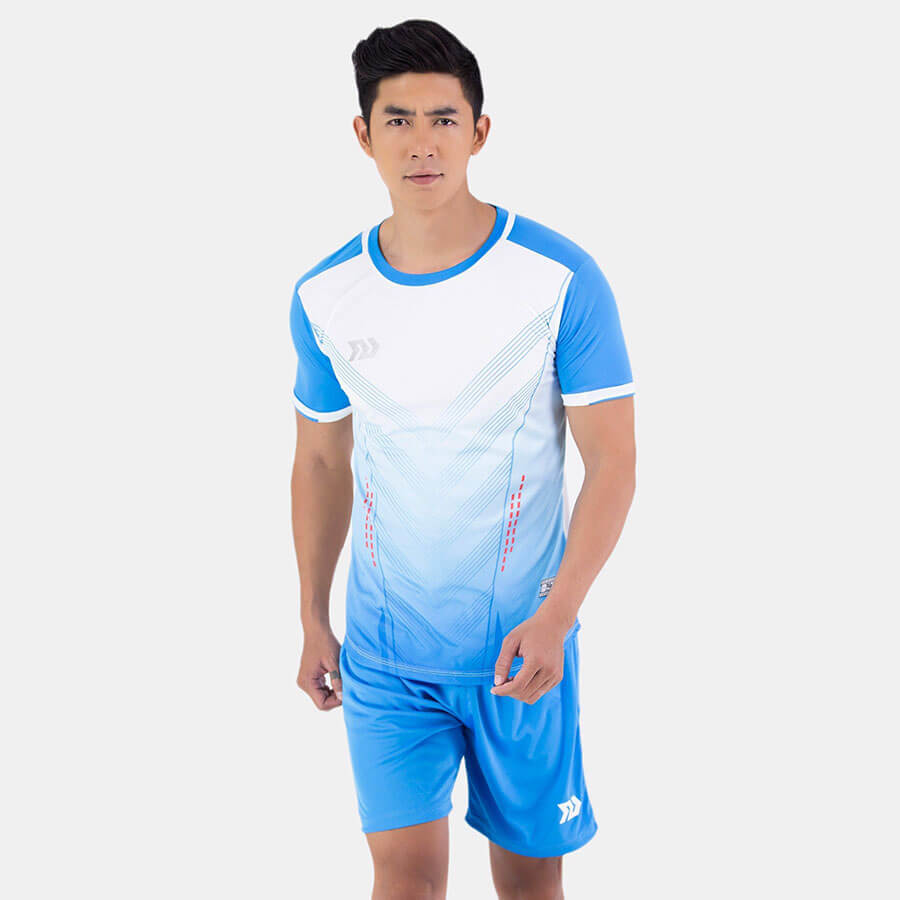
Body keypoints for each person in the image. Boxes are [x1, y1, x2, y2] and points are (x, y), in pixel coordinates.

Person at [289, 18, 636, 899]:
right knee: (403, 879)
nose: (422, 143)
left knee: (528, 884)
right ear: (363, 134)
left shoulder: (560, 278)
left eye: (443, 119)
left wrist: (559, 615)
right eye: (398, 120)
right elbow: (321, 460)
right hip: (384, 654)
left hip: (521, 647)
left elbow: (615, 463)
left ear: (479, 131)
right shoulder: (326, 293)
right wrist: (312, 615)